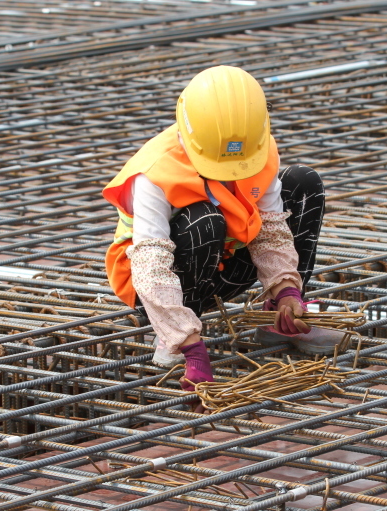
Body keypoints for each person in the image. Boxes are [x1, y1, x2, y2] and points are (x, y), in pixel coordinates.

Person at [102, 65, 345, 400]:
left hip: (226, 262)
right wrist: (188, 345)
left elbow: (270, 229)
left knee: (303, 184)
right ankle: (173, 337)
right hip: (162, 285)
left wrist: (286, 288)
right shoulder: (156, 174)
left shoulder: (256, 149)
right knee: (205, 219)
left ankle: (280, 315)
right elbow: (152, 266)